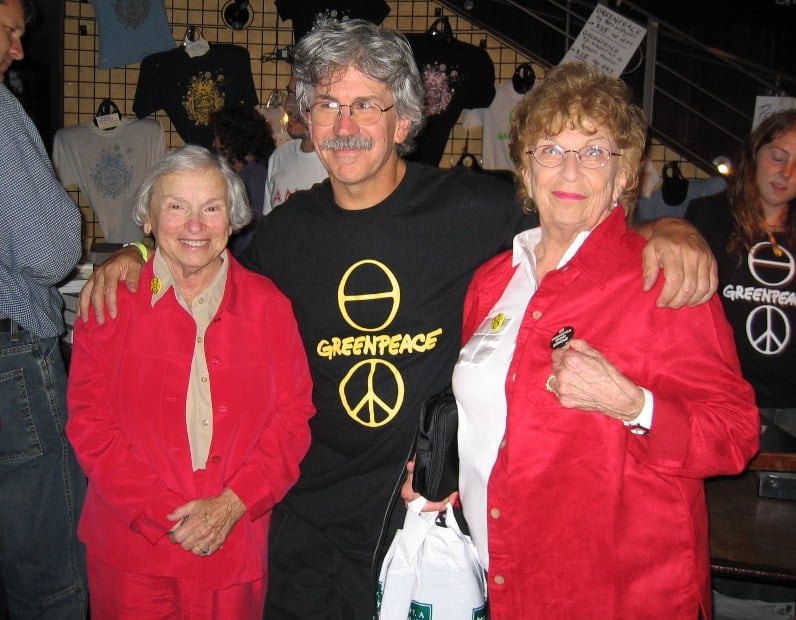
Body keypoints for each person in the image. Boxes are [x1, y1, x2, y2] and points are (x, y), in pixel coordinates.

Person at [79, 20, 718, 619]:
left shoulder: (477, 211)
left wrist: (665, 228)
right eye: (327, 104)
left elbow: (578, 231)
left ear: (405, 117)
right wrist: (138, 254)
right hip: (305, 523)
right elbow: (204, 260)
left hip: (418, 517)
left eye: (367, 105)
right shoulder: (281, 236)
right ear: (306, 120)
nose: (345, 124)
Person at [417, 61, 757, 619]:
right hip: (501, 582)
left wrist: (633, 404)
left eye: (595, 151)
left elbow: (735, 433)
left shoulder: (659, 279)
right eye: (550, 150)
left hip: (620, 594)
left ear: (624, 175)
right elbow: (489, 419)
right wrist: (438, 474)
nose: (570, 170)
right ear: (525, 170)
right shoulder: (492, 280)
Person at [66, 145, 315, 619]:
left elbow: (293, 418)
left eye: (211, 208)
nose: (194, 225)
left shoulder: (268, 307)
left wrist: (232, 504)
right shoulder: (110, 303)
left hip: (232, 545)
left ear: (234, 219)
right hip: (130, 550)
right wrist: (161, 512)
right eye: (176, 206)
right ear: (148, 219)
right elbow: (89, 422)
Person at [0, 0, 89, 617]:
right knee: (46, 568)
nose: (19, 49)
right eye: (7, 31)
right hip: (11, 358)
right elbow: (52, 247)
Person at [687, 109, 796, 440]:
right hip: (724, 399)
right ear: (754, 153)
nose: (786, 172)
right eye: (778, 157)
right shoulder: (708, 217)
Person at [210, 105, 276, 256]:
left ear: (232, 137)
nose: (214, 144)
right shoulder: (251, 173)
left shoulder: (254, 177)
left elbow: (251, 235)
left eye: (217, 136)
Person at [262, 74, 328, 215]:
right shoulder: (280, 156)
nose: (286, 106)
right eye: (290, 94)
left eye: (299, 99)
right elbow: (268, 226)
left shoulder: (341, 163)